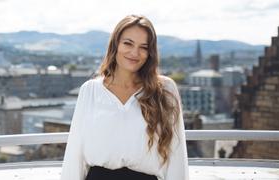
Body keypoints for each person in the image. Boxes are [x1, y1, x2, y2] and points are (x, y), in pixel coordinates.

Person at [60, 15, 188, 180]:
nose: (135, 52)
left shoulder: (165, 89)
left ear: (150, 52)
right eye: (128, 43)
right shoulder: (90, 90)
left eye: (143, 47)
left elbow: (176, 154)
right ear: (115, 44)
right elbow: (75, 153)